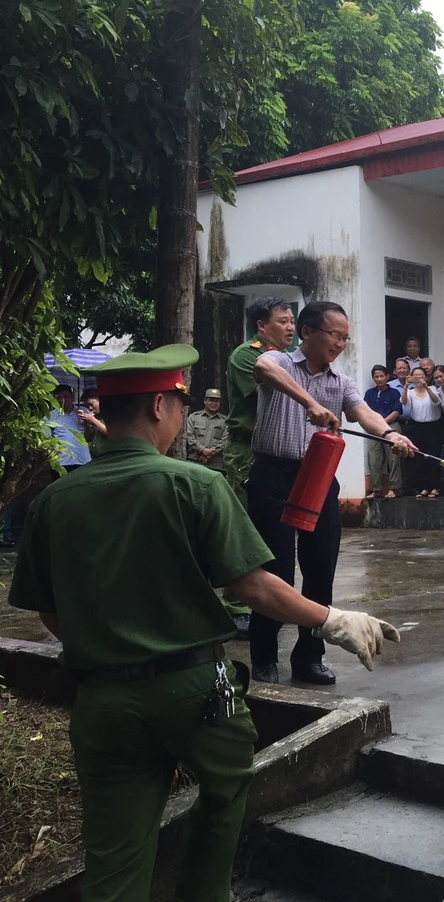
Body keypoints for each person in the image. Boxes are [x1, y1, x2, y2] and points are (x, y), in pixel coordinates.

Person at [6, 343, 398, 902]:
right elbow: (254, 585)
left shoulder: (55, 501)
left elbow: (48, 610)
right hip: (196, 694)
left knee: (114, 859)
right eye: (178, 407)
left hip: (104, 701)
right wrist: (332, 617)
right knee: (224, 793)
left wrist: (111, 648)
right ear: (160, 408)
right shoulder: (194, 484)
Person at [248, 301, 415, 686]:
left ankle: (309, 657)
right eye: (334, 335)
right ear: (307, 333)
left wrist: (390, 435)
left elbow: (363, 414)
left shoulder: (341, 382)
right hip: (273, 475)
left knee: (320, 570)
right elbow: (263, 369)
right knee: (275, 571)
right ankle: (263, 657)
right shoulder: (279, 362)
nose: (340, 343)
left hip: (318, 477)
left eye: (345, 338)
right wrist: (309, 402)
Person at [225, 297, 296, 508]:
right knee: (247, 518)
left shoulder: (287, 358)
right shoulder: (248, 355)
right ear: (261, 325)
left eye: (292, 321)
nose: (290, 327)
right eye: (283, 322)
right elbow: (274, 397)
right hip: (247, 452)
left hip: (277, 454)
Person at [400, 366, 444, 499]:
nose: (419, 379)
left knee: (433, 457)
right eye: (416, 376)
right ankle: (424, 487)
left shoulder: (432, 389)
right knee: (420, 458)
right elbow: (404, 403)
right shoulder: (411, 392)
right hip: (417, 427)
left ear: (426, 377)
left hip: (433, 427)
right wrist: (405, 387)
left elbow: (436, 401)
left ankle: (435, 487)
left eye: (421, 376)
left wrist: (426, 387)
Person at [362, 365, 403, 499]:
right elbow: (365, 411)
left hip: (391, 426)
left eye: (382, 376)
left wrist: (382, 423)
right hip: (374, 430)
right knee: (374, 458)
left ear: (387, 376)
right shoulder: (369, 393)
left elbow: (396, 411)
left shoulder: (394, 393)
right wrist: (375, 425)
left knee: (393, 458)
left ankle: (394, 488)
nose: (379, 379)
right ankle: (377, 489)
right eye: (376, 376)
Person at [49, 385, 92, 475]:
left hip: (83, 460)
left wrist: (87, 423)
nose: (63, 400)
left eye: (66, 396)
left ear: (71, 397)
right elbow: (47, 440)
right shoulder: (50, 416)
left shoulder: (84, 412)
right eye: (59, 398)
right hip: (61, 462)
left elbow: (89, 438)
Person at [185, 388, 229, 470]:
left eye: (217, 401)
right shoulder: (194, 417)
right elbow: (190, 436)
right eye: (211, 400)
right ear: (205, 401)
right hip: (195, 460)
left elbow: (225, 440)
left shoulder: (225, 421)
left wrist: (210, 453)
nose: (214, 403)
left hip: (215, 463)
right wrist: (202, 450)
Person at [75, 388, 109, 458]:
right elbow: (88, 438)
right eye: (87, 406)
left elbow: (110, 433)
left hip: (107, 457)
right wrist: (88, 425)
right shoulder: (95, 416)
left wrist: (93, 420)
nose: (90, 408)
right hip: (95, 457)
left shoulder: (110, 415)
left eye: (91, 404)